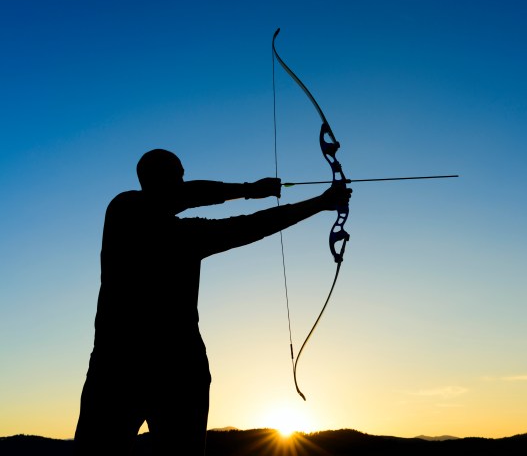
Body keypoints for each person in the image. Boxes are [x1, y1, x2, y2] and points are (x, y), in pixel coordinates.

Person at [74, 148, 351, 455]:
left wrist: (251, 191)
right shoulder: (141, 216)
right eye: (177, 175)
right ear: (159, 180)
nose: (183, 181)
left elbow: (190, 196)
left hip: (142, 366)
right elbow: (248, 224)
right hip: (148, 369)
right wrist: (319, 203)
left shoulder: (122, 211)